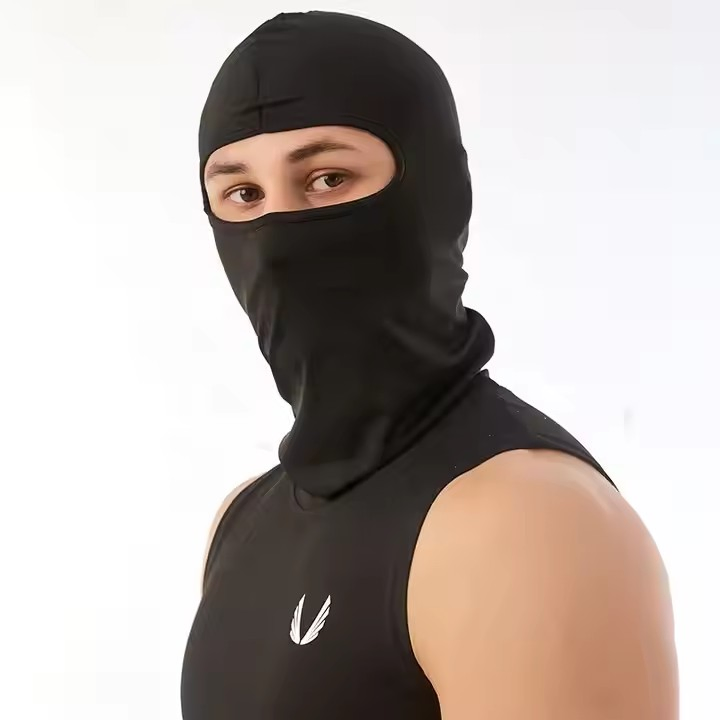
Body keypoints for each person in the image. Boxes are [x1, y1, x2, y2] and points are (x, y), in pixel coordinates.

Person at [181, 11, 678, 719]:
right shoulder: (238, 525)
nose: (276, 239)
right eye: (243, 194)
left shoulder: (530, 525)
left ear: (433, 193)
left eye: (327, 178)